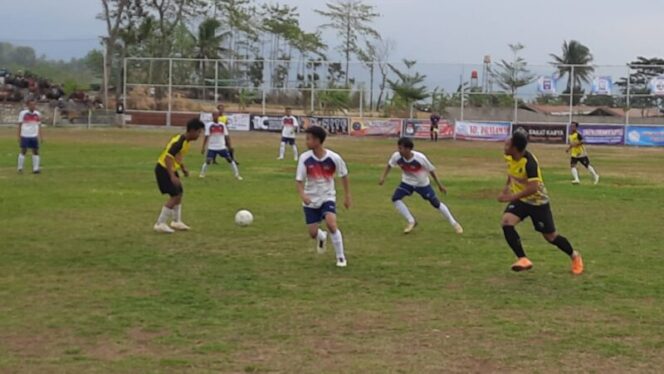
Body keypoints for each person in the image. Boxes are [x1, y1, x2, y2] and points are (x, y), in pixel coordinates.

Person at [499, 131, 584, 275]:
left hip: (538, 202)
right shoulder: (509, 157)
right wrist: (507, 188)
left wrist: (512, 197)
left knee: (550, 237)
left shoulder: (529, 162)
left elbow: (534, 187)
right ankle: (523, 259)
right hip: (522, 200)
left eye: (507, 144)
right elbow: (511, 172)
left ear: (515, 148)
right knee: (506, 222)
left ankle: (575, 256)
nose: (504, 146)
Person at [379, 137, 463, 235]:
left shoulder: (420, 158)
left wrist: (440, 185)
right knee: (395, 198)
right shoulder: (396, 156)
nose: (399, 150)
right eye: (398, 147)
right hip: (407, 182)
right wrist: (383, 177)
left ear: (408, 149)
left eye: (401, 148)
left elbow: (431, 170)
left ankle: (454, 223)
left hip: (422, 184)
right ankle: (411, 221)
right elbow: (389, 165)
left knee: (435, 203)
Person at [296, 126, 351, 268]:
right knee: (313, 233)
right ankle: (321, 236)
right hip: (310, 199)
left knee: (331, 224)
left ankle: (340, 257)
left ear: (317, 141)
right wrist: (303, 195)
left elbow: (344, 175)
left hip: (327, 196)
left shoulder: (334, 158)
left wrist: (347, 196)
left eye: (309, 139)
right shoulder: (305, 158)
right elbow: (299, 180)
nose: (306, 142)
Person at [153, 118, 205, 233]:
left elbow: (177, 156)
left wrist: (182, 167)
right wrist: (172, 175)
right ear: (192, 131)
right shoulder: (180, 141)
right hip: (164, 169)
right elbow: (168, 157)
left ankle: (176, 221)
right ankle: (160, 223)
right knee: (175, 195)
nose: (199, 135)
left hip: (170, 168)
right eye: (199, 132)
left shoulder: (185, 142)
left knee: (179, 193)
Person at [199, 108, 242, 180]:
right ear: (212, 116)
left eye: (217, 115)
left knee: (230, 160)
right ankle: (202, 174)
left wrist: (229, 146)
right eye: (214, 115)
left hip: (221, 147)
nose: (216, 116)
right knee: (208, 161)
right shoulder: (209, 125)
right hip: (212, 147)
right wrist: (203, 147)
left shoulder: (222, 125)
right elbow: (206, 137)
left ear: (219, 116)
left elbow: (227, 136)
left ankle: (237, 175)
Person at [17, 99, 43, 174]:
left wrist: (41, 136)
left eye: (34, 104)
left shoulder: (37, 114)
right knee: (23, 151)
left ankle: (36, 169)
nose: (33, 106)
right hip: (25, 135)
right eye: (31, 105)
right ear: (28, 105)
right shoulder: (23, 113)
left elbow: (39, 125)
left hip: (34, 136)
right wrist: (18, 136)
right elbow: (19, 125)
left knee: (35, 151)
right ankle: (20, 168)